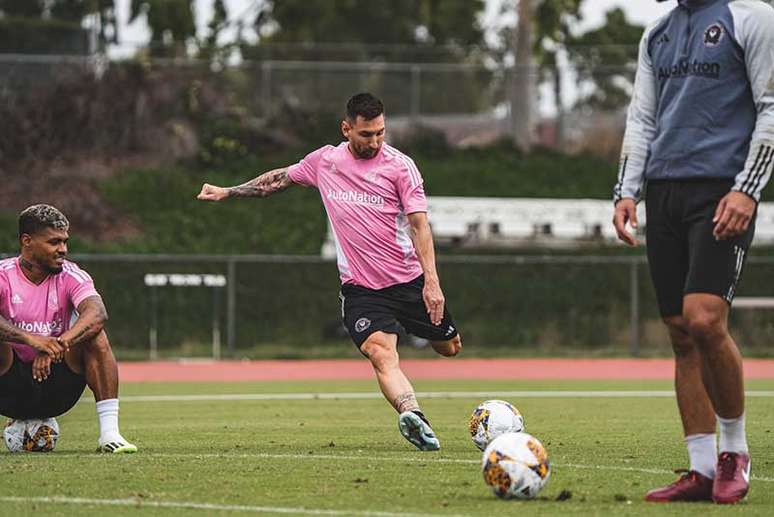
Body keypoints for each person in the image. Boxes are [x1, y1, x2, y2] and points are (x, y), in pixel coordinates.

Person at [197, 92, 462, 451]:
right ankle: (414, 416)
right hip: (362, 290)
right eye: (367, 134)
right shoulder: (325, 161)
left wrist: (432, 283)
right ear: (346, 128)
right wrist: (229, 191)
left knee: (449, 347)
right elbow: (278, 180)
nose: (375, 142)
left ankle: (427, 338)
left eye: (381, 133)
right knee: (381, 353)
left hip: (409, 282)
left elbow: (419, 225)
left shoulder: (401, 166)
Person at [613, 0, 774, 504]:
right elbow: (642, 117)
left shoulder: (753, 17)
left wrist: (748, 188)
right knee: (682, 334)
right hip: (664, 192)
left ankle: (734, 453)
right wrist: (626, 190)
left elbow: (771, 107)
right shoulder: (658, 31)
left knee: (704, 319)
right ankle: (702, 469)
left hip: (720, 189)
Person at [0, 205, 137, 453]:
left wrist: (56, 344)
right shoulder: (3, 274)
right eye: (54, 242)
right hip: (8, 386)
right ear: (27, 241)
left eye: (64, 241)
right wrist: (32, 340)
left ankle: (110, 435)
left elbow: (97, 313)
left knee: (94, 333)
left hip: (57, 386)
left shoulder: (71, 274)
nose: (62, 249)